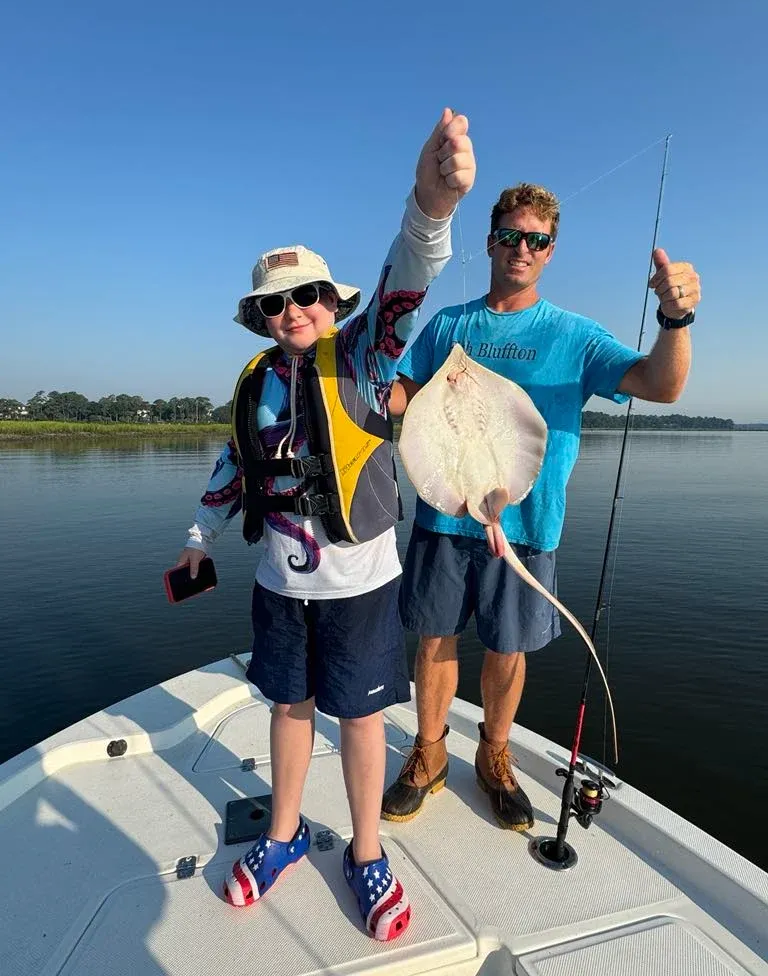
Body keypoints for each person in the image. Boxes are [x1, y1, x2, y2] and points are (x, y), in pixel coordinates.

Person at [173, 109, 475, 941]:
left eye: (307, 295)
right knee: (288, 708)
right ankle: (284, 835)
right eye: (276, 302)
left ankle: (367, 851)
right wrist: (198, 540)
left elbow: (409, 275)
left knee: (363, 719)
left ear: (331, 302)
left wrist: (432, 204)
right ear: (260, 316)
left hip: (361, 586)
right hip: (281, 585)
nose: (294, 310)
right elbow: (233, 466)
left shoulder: (369, 356)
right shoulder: (254, 380)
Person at [382, 182, 701, 831]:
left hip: (527, 524)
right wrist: (345, 361)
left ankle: (494, 755)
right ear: (490, 241)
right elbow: (401, 397)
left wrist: (675, 321)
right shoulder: (448, 326)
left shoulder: (574, 335)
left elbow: (661, 385)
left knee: (508, 646)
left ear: (550, 250)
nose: (521, 248)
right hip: (445, 509)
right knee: (434, 637)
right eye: (510, 235)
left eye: (536, 239)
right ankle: (429, 752)